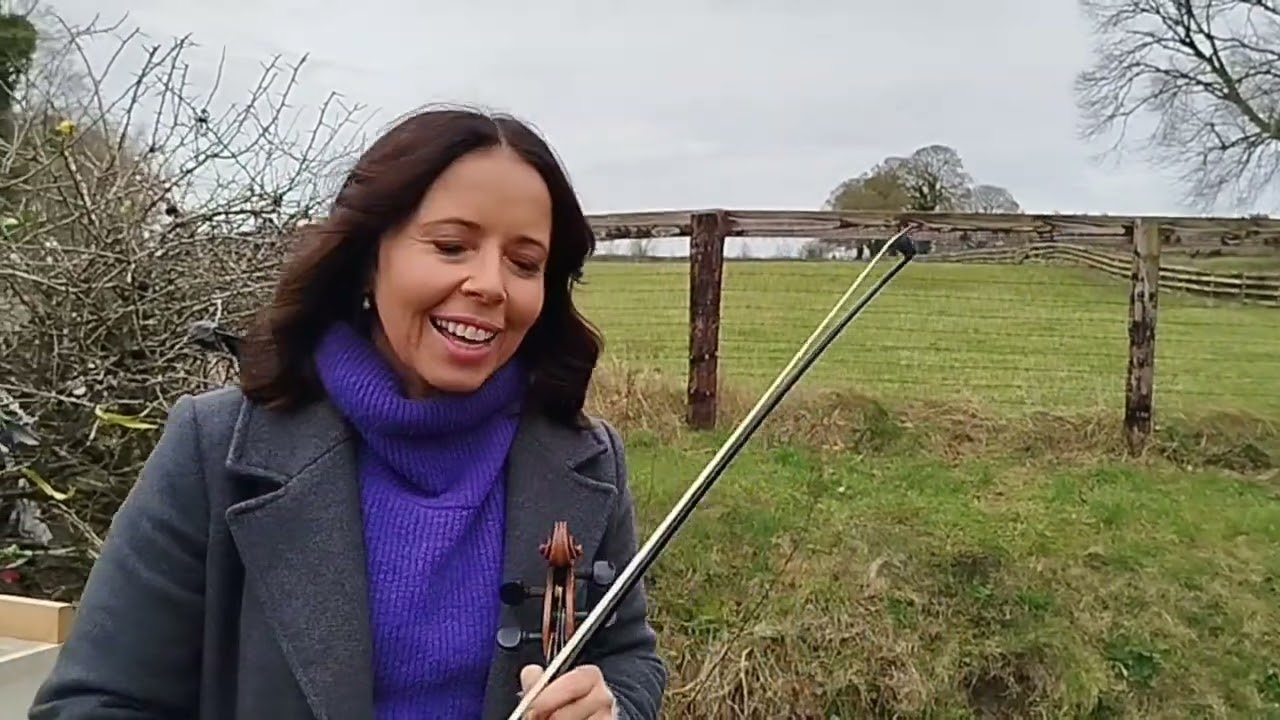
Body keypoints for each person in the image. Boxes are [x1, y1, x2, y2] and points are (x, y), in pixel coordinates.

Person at [28, 107, 668, 720]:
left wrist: (612, 708)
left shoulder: (586, 460)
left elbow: (629, 659)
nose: (491, 285)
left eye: (525, 263)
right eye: (450, 246)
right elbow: (97, 702)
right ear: (369, 258)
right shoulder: (212, 446)